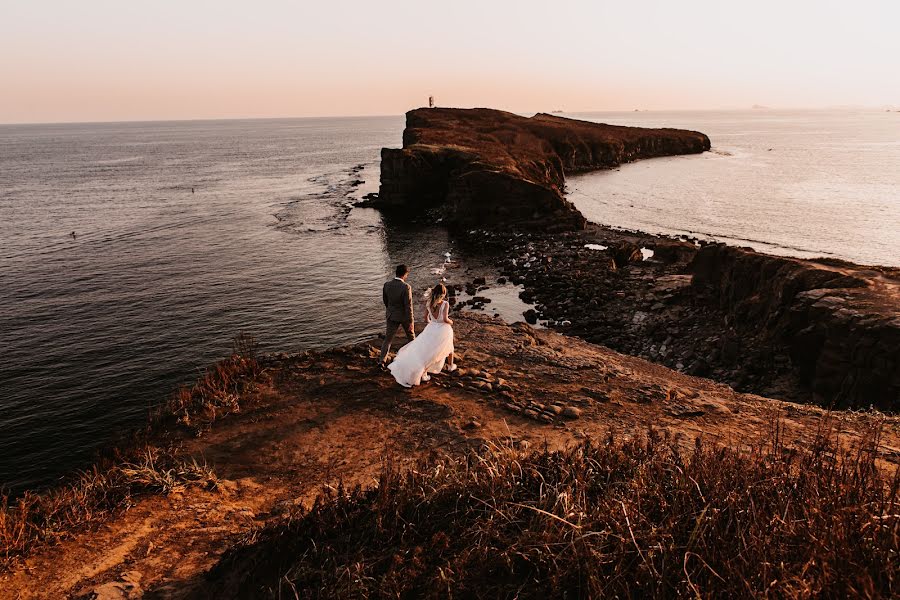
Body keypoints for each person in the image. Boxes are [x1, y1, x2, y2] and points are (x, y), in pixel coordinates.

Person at [388, 283, 456, 387]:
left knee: (428, 352)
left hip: (431, 328)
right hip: (443, 329)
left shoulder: (429, 303)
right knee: (449, 347)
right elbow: (445, 319)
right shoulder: (445, 304)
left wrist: (432, 324)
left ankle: (424, 373)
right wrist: (451, 322)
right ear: (443, 294)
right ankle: (451, 366)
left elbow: (425, 318)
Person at [379, 264, 415, 367]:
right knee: (411, 338)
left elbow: (385, 301)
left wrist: (391, 310)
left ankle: (382, 361)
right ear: (405, 274)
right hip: (404, 317)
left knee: (388, 340)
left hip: (391, 316)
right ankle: (415, 358)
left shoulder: (387, 285)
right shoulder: (406, 287)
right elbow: (408, 306)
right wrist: (411, 321)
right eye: (407, 274)